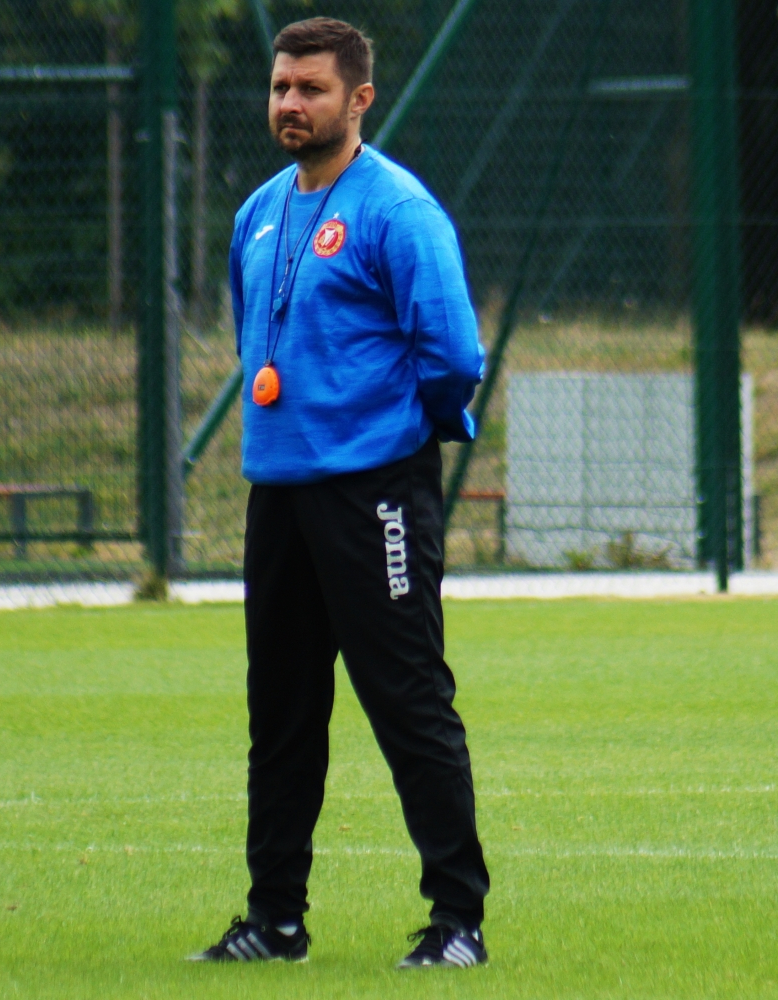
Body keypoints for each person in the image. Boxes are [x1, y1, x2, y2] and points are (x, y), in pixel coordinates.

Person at [187, 17, 490, 970]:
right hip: (278, 493)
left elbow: (454, 354)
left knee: (407, 699)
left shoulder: (398, 210)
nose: (290, 103)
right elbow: (254, 331)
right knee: (279, 714)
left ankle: (458, 924)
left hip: (376, 493)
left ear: (359, 99)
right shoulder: (258, 211)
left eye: (311, 89)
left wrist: (391, 434)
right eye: (281, 86)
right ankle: (274, 921)